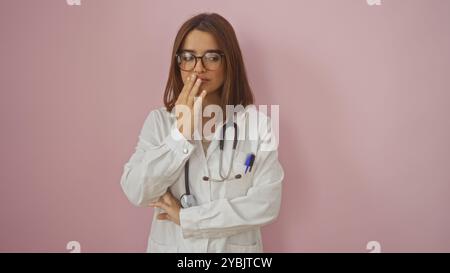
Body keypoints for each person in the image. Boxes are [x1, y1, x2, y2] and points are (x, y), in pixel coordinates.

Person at [120, 12, 284, 253]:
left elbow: (266, 204)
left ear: (230, 62)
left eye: (212, 57)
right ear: (178, 63)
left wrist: (189, 219)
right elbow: (137, 192)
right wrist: (179, 136)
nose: (198, 67)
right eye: (188, 57)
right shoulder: (159, 123)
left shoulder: (258, 126)